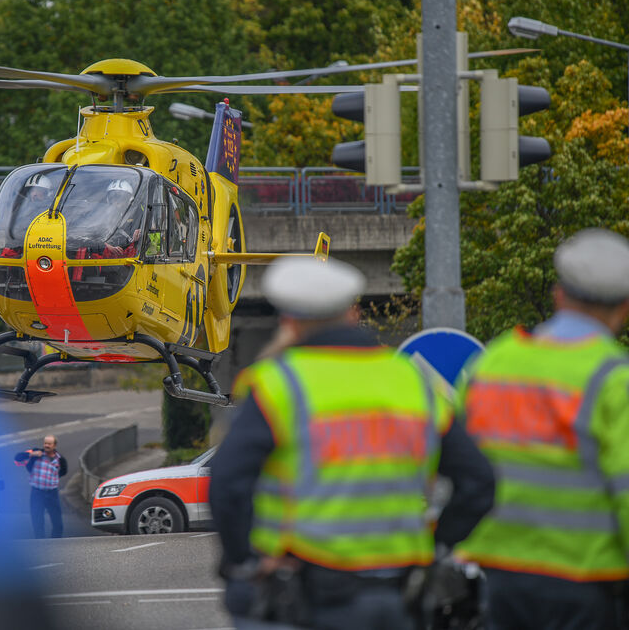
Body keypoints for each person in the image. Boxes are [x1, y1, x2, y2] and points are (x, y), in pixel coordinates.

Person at [209, 256, 496, 629]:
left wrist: (245, 559)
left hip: (308, 594)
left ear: (290, 322)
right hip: (399, 595)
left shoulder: (278, 382)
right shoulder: (412, 381)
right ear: (355, 313)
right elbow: (478, 481)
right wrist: (438, 544)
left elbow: (228, 484)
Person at [455, 227, 629, 630]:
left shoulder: (492, 362)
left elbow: (461, 468)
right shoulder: (613, 378)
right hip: (586, 581)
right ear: (623, 307)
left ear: (558, 295)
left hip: (497, 576)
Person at [14, 435, 68, 538]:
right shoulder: (35, 454)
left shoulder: (60, 459)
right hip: (37, 492)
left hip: (52, 492)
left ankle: (56, 542)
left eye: (49, 444)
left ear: (55, 445)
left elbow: (64, 471)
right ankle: (41, 542)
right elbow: (17, 458)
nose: (46, 445)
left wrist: (53, 480)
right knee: (37, 518)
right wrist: (32, 454)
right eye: (45, 443)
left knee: (57, 521)